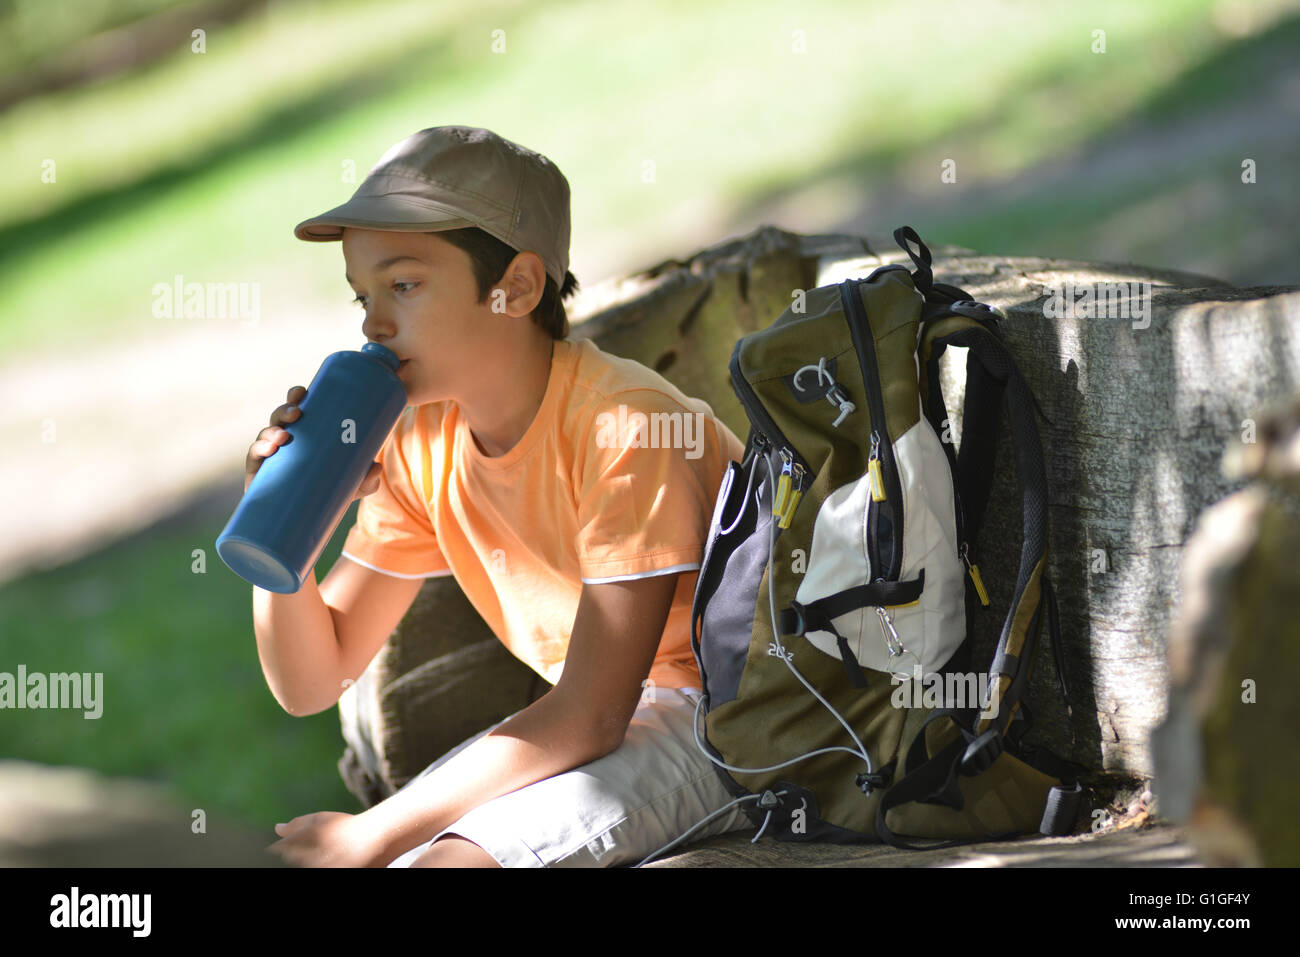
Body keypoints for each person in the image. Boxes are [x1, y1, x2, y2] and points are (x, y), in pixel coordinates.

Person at [245, 126, 753, 867]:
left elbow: (592, 713)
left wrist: (377, 829)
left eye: (404, 284)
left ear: (515, 286)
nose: (371, 323)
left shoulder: (626, 426)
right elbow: (313, 680)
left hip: (735, 718)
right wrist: (286, 533)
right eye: (362, 294)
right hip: (612, 720)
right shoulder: (422, 439)